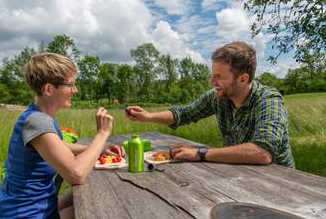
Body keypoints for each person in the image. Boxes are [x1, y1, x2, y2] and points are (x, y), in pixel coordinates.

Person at [0, 53, 125, 219]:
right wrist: (102, 134)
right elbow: (76, 174)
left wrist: (99, 149)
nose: (75, 90)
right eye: (71, 85)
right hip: (26, 214)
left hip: (36, 206)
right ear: (48, 89)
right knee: (105, 207)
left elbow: (59, 146)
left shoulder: (38, 117)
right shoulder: (38, 121)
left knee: (97, 195)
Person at [126, 42, 295, 168]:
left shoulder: (269, 100)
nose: (212, 81)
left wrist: (200, 153)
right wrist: (148, 116)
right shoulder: (217, 97)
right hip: (240, 176)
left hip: (281, 183)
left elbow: (262, 153)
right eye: (213, 75)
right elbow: (184, 114)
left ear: (243, 79)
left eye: (219, 76)